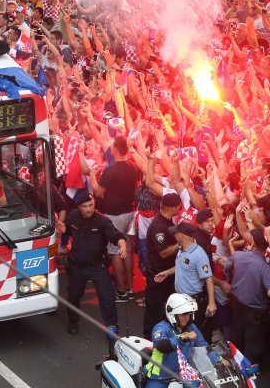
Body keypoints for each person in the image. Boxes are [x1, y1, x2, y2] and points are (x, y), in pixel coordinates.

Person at [54, 193, 125, 347]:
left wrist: (122, 245)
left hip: (97, 265)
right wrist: (62, 229)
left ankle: (112, 326)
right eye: (84, 206)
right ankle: (73, 321)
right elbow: (67, 231)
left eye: (91, 205)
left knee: (107, 296)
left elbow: (116, 235)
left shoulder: (102, 221)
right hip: (77, 265)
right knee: (73, 295)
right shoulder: (73, 216)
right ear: (79, 207)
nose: (88, 209)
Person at [90, 135, 141, 300]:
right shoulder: (133, 167)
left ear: (117, 150)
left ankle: (121, 291)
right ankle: (130, 288)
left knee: (116, 252)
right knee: (128, 249)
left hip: (115, 216)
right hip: (131, 214)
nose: (110, 149)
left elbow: (98, 193)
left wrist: (92, 176)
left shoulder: (110, 170)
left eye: (112, 147)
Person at [153, 222, 216, 342]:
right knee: (180, 331)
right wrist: (166, 273)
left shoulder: (199, 255)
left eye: (175, 233)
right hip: (181, 299)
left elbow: (208, 279)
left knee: (194, 334)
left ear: (181, 236)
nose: (174, 235)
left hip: (193, 301)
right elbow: (181, 266)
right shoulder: (182, 249)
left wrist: (211, 303)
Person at [143, 293, 216, 387]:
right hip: (160, 378)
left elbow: (204, 347)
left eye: (188, 314)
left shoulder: (192, 328)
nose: (186, 317)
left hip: (184, 375)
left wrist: (218, 361)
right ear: (173, 314)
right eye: (183, 314)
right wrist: (183, 338)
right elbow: (162, 346)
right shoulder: (161, 328)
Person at [224, 228, 270, 363]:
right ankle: (250, 377)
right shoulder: (265, 267)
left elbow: (227, 267)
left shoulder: (239, 256)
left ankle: (233, 370)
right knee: (252, 347)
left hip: (237, 306)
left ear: (253, 243)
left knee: (236, 340)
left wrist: (231, 278)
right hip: (257, 314)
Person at [143, 193, 183, 338]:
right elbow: (164, 253)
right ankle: (149, 338)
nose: (180, 207)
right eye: (179, 205)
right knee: (154, 308)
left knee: (168, 306)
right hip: (159, 273)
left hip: (168, 272)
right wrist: (181, 243)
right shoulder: (158, 226)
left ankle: (163, 335)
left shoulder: (167, 222)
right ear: (173, 208)